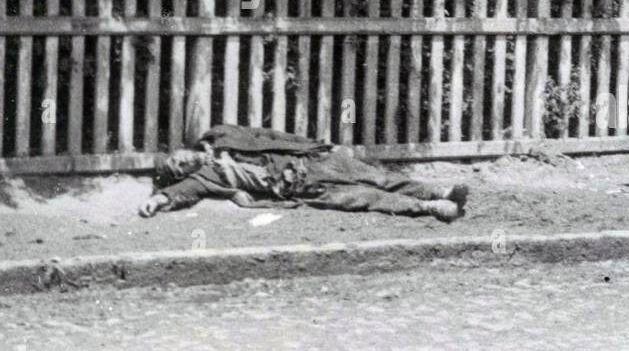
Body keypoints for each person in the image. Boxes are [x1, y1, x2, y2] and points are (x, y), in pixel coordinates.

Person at [139, 124, 469, 221]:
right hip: (301, 187)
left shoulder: (220, 134)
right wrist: (158, 199)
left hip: (312, 159)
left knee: (379, 177)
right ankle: (430, 208)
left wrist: (316, 145)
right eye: (177, 169)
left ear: (182, 149)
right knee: (364, 197)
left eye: (177, 158)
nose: (182, 164)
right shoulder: (205, 178)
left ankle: (438, 191)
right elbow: (181, 193)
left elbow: (270, 136)